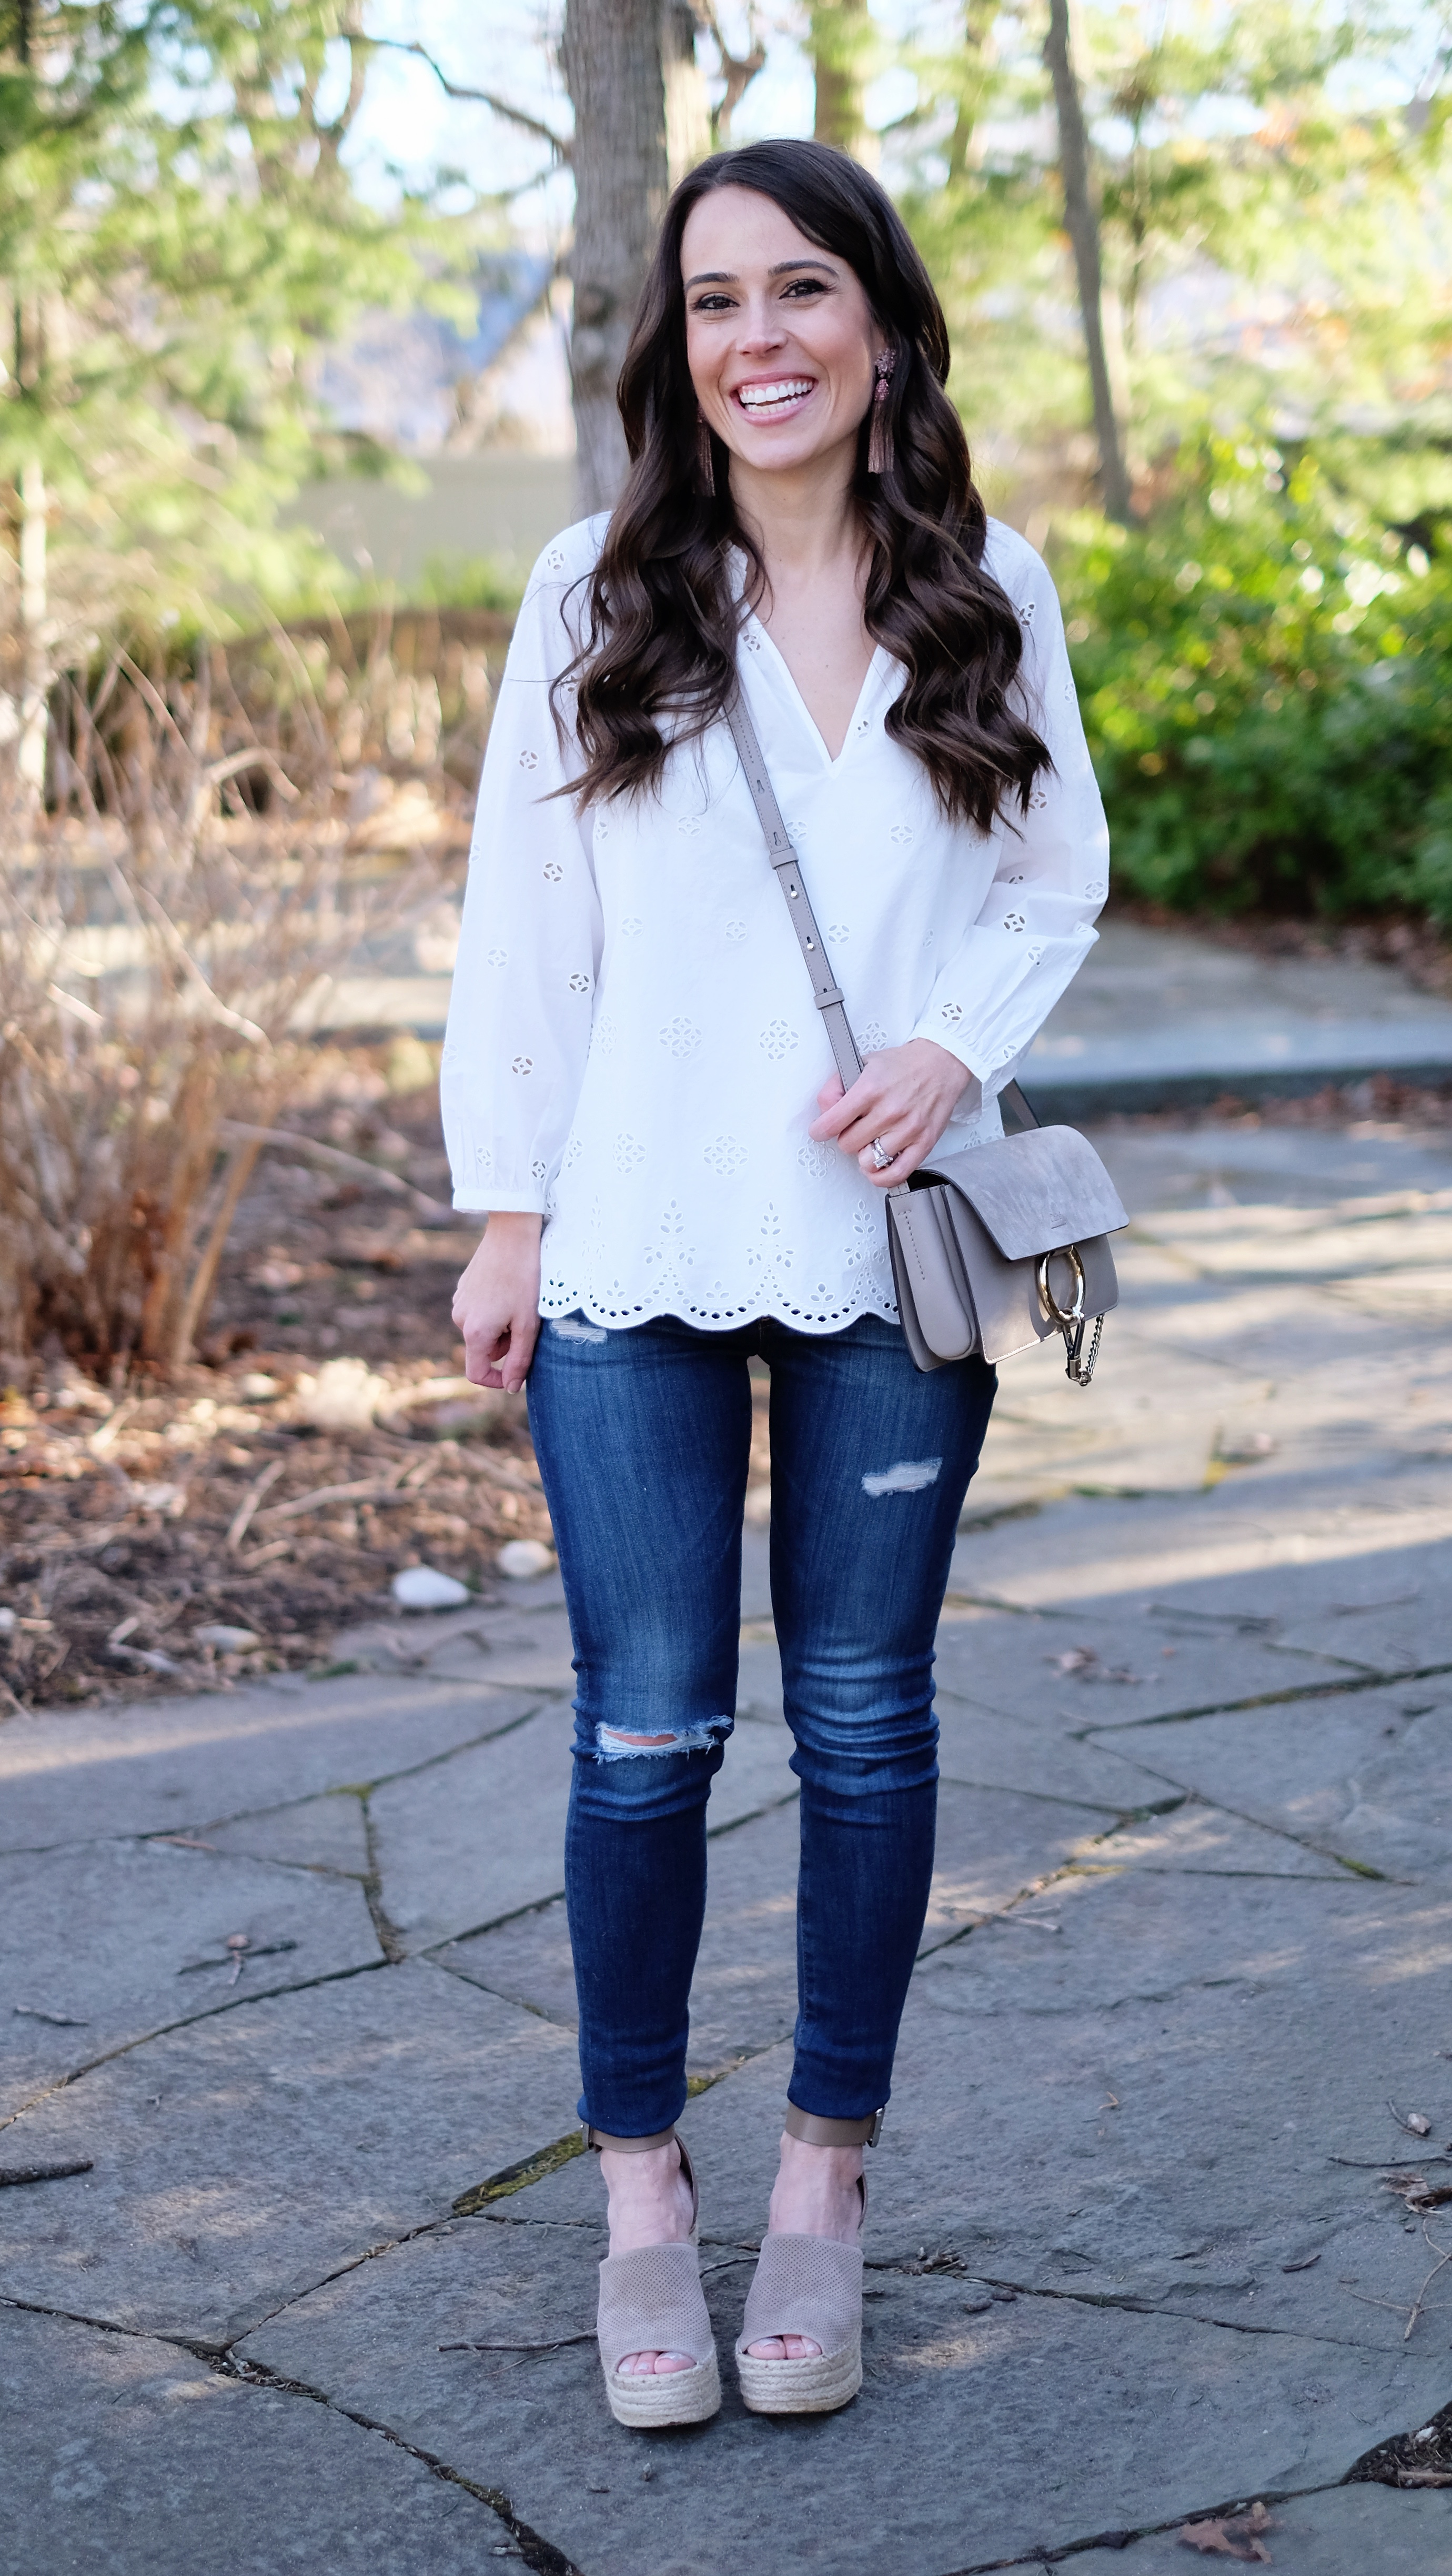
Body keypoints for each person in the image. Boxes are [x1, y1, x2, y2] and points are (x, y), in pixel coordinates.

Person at [443, 136, 1108, 2429]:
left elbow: (1058, 875)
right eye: (717, 300)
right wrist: (506, 1212)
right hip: (629, 1239)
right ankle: (646, 2203)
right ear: (677, 346)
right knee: (645, 1735)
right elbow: (520, 934)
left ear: (887, 327)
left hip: (882, 1254)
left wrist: (952, 1049)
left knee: (863, 1720)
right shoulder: (596, 587)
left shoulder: (981, 580)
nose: (762, 339)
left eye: (805, 290)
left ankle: (824, 2182)